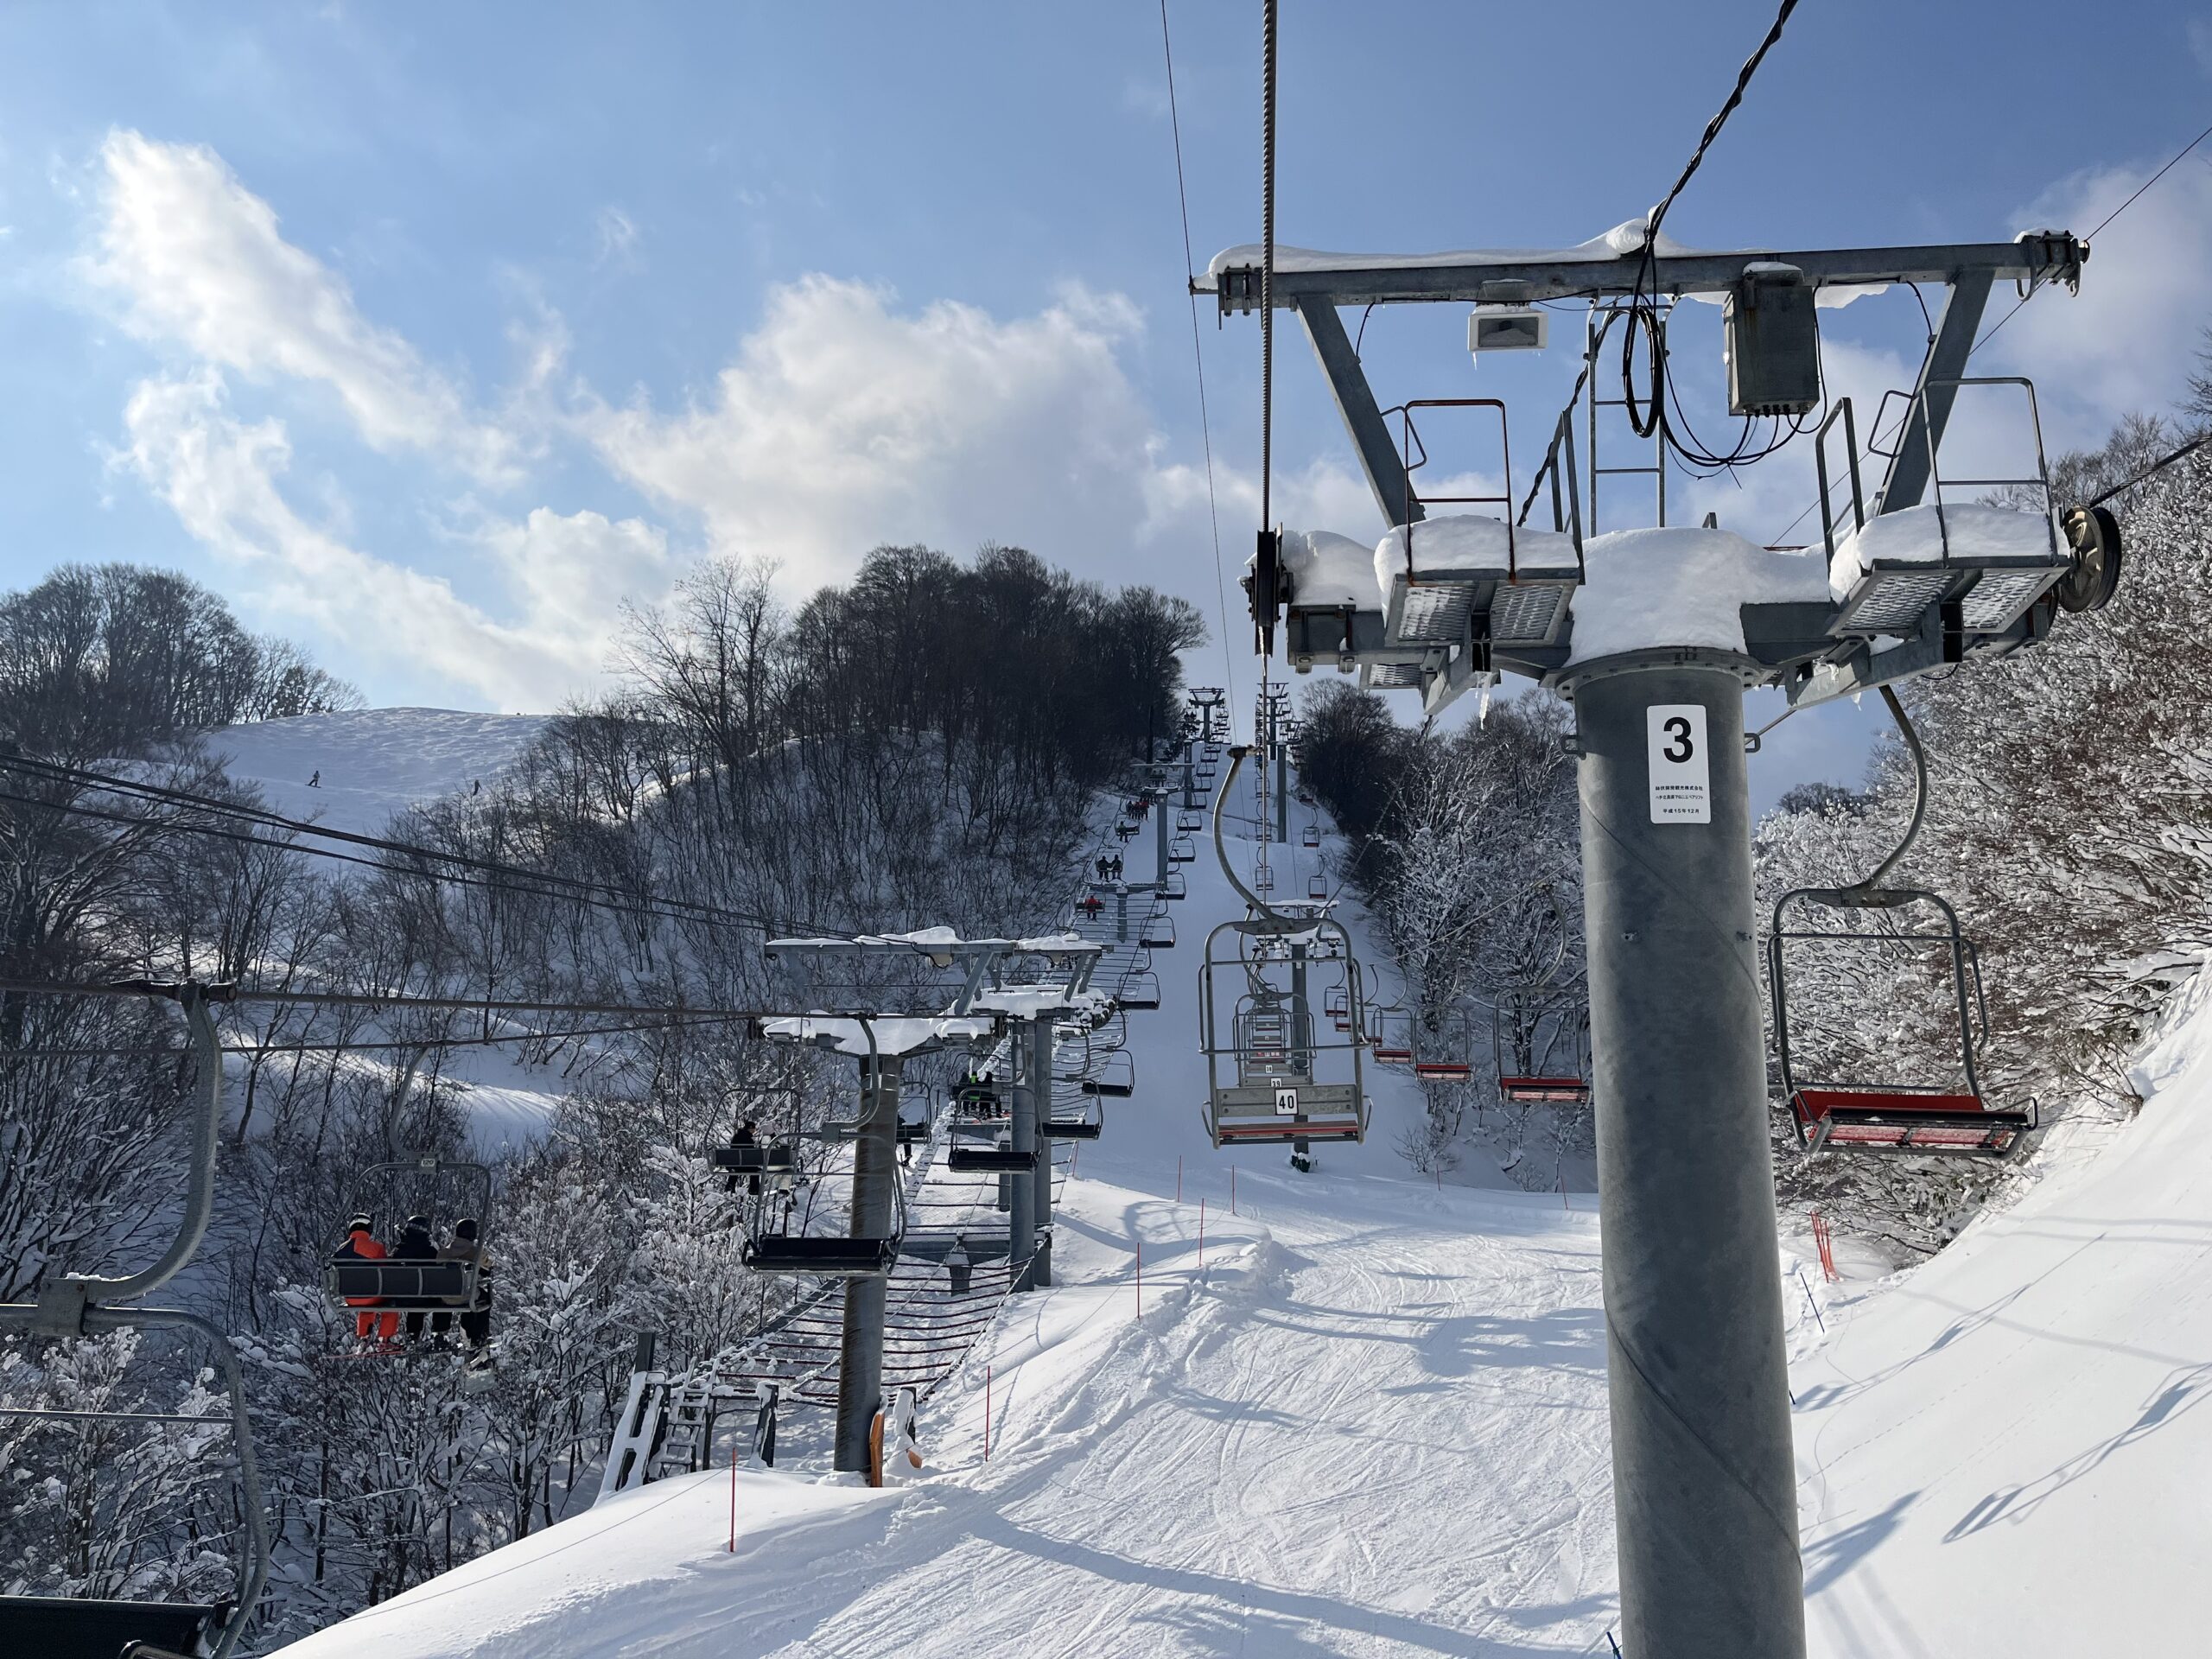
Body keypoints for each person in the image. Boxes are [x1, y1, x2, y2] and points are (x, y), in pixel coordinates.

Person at [333, 1214, 397, 1343]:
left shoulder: (341, 1249)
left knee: (366, 1304)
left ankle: (364, 1338)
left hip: (350, 1297)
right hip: (372, 1296)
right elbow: (386, 1269)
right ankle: (386, 1339)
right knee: (391, 1303)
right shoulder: (376, 1248)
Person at [435, 1217, 493, 1351]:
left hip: (445, 1297)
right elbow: (487, 1270)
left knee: (444, 1292)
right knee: (484, 1298)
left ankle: (440, 1333)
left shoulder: (444, 1253)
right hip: (466, 1296)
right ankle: (477, 1335)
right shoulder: (475, 1252)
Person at [391, 1214, 439, 1341]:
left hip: (401, 1298)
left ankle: (410, 1335)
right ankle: (434, 1334)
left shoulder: (399, 1251)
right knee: (419, 1294)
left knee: (412, 1292)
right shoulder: (431, 1252)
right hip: (425, 1298)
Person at [945, 1232, 973, 1298]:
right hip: (963, 1265)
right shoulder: (962, 1250)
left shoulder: (952, 1250)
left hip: (958, 1265)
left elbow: (947, 1260)